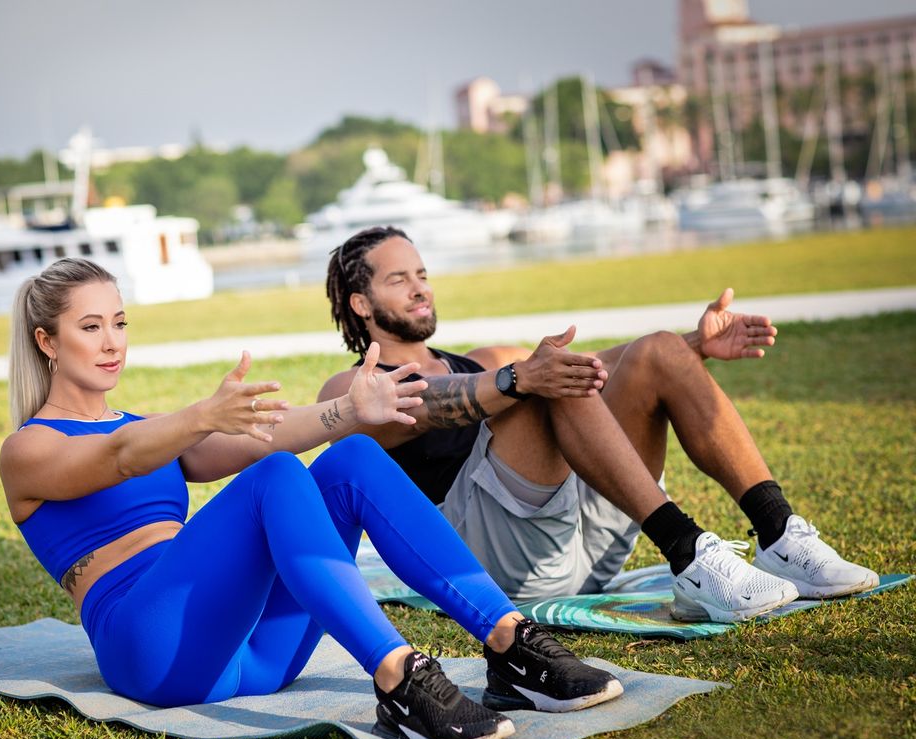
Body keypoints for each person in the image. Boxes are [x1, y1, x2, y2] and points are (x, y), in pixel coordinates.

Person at [0, 258, 625, 739]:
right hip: (153, 651)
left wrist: (348, 412)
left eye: (120, 322)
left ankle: (509, 643)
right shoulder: (27, 450)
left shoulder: (150, 427)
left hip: (256, 653)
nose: (112, 342)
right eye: (91, 326)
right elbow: (118, 459)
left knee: (349, 459)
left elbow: (258, 436)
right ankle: (400, 680)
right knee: (274, 478)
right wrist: (197, 416)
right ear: (46, 341)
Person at [318, 227, 878, 619]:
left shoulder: (486, 358)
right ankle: (687, 551)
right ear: (361, 304)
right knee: (540, 380)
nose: (420, 287)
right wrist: (519, 380)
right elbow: (428, 402)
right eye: (399, 280)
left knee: (649, 350)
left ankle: (778, 532)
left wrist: (691, 347)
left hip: (588, 544)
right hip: (496, 562)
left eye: (422, 273)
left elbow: (605, 367)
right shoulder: (351, 389)